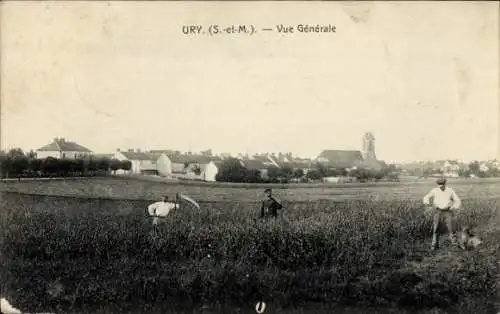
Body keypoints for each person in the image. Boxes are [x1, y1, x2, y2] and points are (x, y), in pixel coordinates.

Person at [422, 178, 462, 250]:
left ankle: (455, 246)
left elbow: (457, 200)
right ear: (438, 184)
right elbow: (426, 197)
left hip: (448, 212)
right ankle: (434, 246)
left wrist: (453, 207)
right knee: (436, 229)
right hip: (438, 212)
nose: (441, 186)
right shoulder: (434, 190)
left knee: (451, 229)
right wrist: (428, 204)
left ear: (445, 184)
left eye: (442, 185)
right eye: (439, 185)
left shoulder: (450, 190)